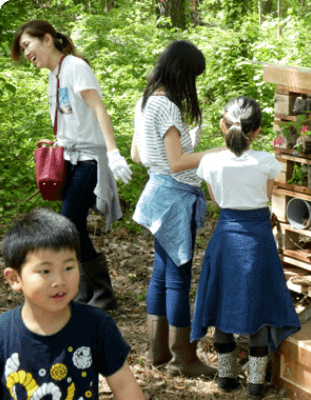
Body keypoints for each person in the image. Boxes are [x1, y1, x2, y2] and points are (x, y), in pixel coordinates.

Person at [10, 20, 133, 311]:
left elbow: (97, 108)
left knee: (66, 226)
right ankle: (94, 293)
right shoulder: (54, 75)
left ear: (48, 39)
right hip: (69, 159)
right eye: (22, 49)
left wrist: (113, 153)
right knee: (73, 227)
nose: (26, 53)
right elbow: (70, 115)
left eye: (27, 45)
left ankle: (96, 292)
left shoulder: (76, 67)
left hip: (89, 160)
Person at [190, 96, 301, 398]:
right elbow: (266, 196)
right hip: (258, 241)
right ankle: (255, 384)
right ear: (258, 130)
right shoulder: (267, 162)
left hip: (226, 238)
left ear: (222, 126)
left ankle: (226, 378)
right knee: (259, 307)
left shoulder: (210, 162)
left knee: (222, 303)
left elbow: (216, 201)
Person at [130, 40, 220, 378]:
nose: (192, 85)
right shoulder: (166, 106)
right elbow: (178, 161)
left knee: (161, 274)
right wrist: (215, 152)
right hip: (174, 199)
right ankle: (183, 357)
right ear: (182, 71)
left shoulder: (145, 101)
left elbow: (138, 155)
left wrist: (183, 148)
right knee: (178, 279)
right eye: (192, 76)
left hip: (157, 191)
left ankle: (158, 353)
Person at [1, 208, 145, 400]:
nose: (59, 280)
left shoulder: (96, 325)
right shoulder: (3, 333)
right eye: (45, 271)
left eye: (68, 267)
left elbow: (125, 385)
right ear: (14, 278)